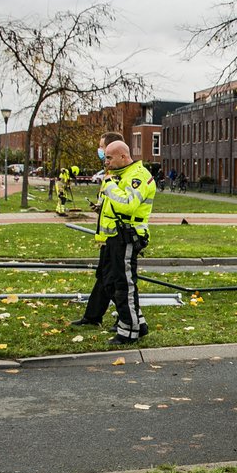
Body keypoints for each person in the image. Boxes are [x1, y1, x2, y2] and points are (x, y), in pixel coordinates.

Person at [71, 134, 154, 344]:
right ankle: (138, 324)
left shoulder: (138, 176)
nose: (105, 162)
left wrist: (109, 187)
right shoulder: (121, 174)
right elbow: (116, 205)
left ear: (123, 156)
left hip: (126, 237)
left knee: (124, 285)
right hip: (114, 238)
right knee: (114, 282)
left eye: (109, 158)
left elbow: (128, 205)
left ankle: (128, 331)